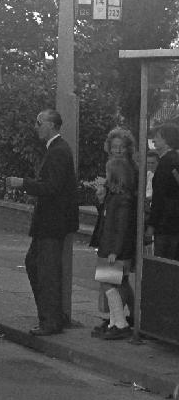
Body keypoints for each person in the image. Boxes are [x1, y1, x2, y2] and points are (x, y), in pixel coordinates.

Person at [7, 109, 79, 336]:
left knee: (46, 272)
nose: (36, 127)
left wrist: (23, 183)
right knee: (34, 264)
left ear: (51, 125)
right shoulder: (56, 149)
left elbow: (52, 187)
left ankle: (50, 321)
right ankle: (49, 317)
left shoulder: (58, 151)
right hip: (48, 224)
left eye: (39, 123)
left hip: (52, 223)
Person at [92, 134, 138, 340]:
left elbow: (120, 227)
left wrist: (114, 251)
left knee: (108, 283)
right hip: (110, 245)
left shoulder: (121, 200)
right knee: (110, 282)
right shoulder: (116, 197)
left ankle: (119, 323)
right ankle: (114, 321)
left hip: (113, 248)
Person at [146, 122, 179, 260]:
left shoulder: (166, 163)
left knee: (164, 264)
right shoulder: (174, 160)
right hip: (174, 221)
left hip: (166, 223)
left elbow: (159, 197)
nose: (154, 140)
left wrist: (152, 225)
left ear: (167, 140)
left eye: (158, 137)